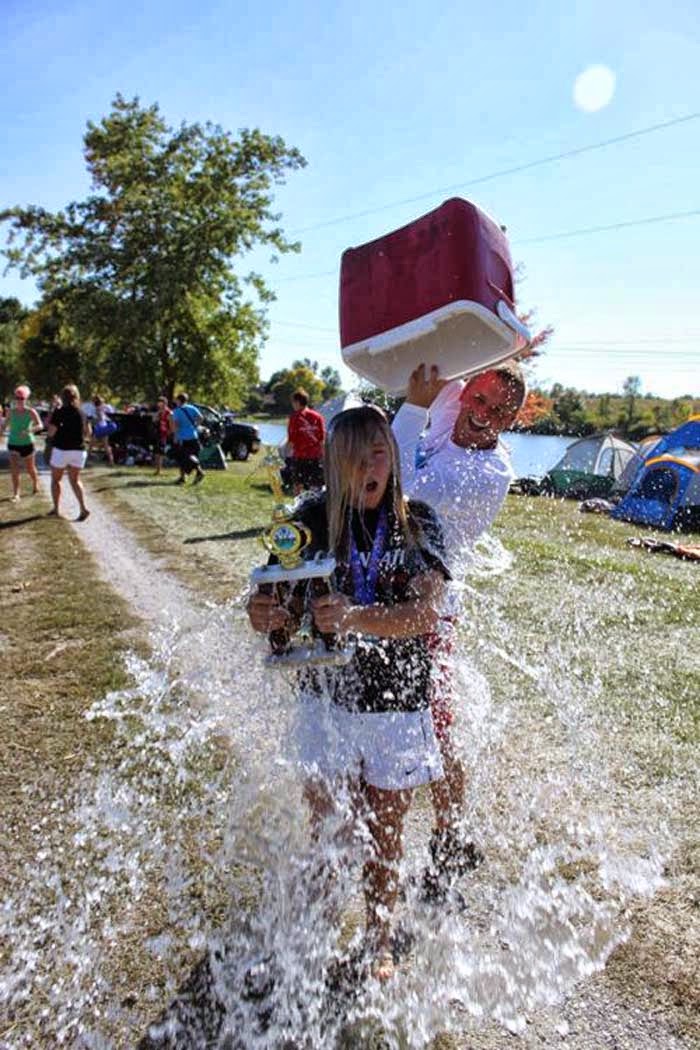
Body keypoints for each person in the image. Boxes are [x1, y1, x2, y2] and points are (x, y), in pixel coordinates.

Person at [247, 405, 450, 978]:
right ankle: (309, 935)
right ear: (334, 465)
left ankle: (379, 937)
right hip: (325, 702)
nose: (369, 468)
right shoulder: (309, 518)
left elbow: (427, 613)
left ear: (394, 459)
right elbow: (275, 601)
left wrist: (356, 616)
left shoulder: (419, 522)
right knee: (332, 831)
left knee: (385, 836)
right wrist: (263, 614)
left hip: (396, 707)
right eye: (354, 458)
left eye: (379, 454)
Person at [392, 361, 527, 901]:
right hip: (392, 594)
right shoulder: (455, 414)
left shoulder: (483, 475)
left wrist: (413, 407)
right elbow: (442, 365)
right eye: (481, 398)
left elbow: (395, 492)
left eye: (500, 413)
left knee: (433, 728)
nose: (484, 416)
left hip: (429, 612)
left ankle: (451, 839)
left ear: (512, 422)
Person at [47, 384, 91, 521]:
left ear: (62, 397)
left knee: (56, 480)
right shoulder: (82, 413)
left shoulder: (59, 411)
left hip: (61, 450)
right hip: (78, 451)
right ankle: (83, 508)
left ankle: (56, 509)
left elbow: (51, 432)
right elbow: (89, 433)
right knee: (75, 480)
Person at [1, 385, 42, 502]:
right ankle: (16, 494)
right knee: (14, 468)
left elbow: (40, 425)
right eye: (17, 398)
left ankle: (35, 483)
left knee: (30, 468)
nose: (19, 401)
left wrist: (30, 430)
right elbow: (4, 426)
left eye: (22, 398)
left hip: (28, 443)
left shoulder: (31, 411)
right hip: (13, 443)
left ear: (26, 399)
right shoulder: (10, 412)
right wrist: (2, 429)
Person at [287, 388, 325, 495]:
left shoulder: (295, 417)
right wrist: (324, 458)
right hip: (315, 457)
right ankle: (315, 507)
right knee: (315, 486)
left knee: (297, 485)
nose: (292, 405)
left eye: (293, 402)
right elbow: (322, 440)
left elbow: (291, 440)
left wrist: (285, 455)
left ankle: (298, 508)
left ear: (297, 402)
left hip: (300, 457)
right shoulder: (318, 417)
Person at [170, 393, 204, 485]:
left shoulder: (176, 411)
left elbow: (176, 425)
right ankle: (188, 476)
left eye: (176, 399)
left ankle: (188, 476)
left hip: (183, 437)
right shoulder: (192, 408)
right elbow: (201, 418)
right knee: (192, 457)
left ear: (179, 400)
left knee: (182, 458)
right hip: (194, 436)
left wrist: (175, 436)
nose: (175, 401)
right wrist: (195, 426)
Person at [89, 395, 115, 465]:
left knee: (91, 444)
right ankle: (111, 461)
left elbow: (99, 419)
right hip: (104, 427)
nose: (92, 402)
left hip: (100, 428)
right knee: (105, 445)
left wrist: (92, 420)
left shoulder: (97, 408)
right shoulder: (103, 407)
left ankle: (87, 459)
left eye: (93, 400)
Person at [153, 397, 172, 475]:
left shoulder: (169, 412)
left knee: (160, 452)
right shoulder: (160, 412)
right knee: (157, 452)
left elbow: (171, 424)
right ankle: (157, 470)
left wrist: (169, 433)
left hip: (166, 435)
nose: (158, 404)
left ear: (164, 403)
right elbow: (154, 420)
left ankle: (159, 470)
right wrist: (158, 413)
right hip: (160, 434)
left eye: (160, 402)